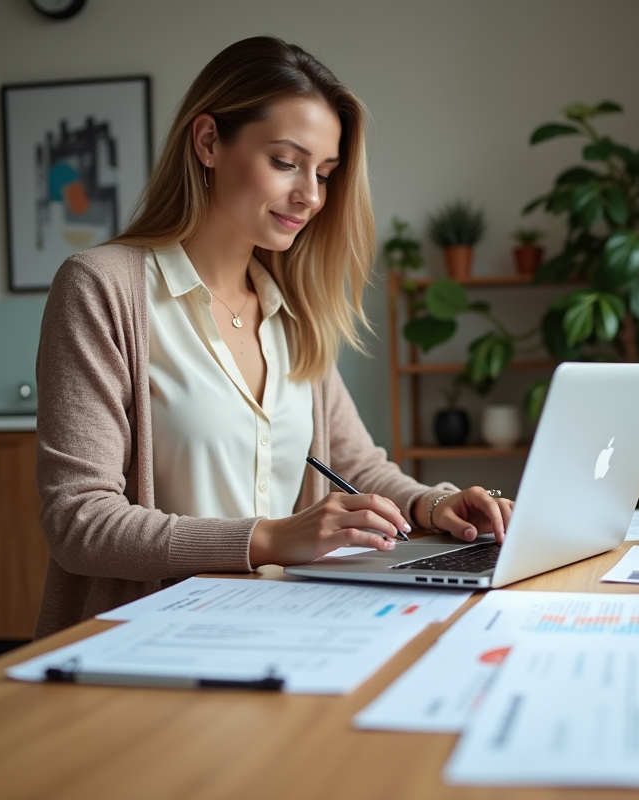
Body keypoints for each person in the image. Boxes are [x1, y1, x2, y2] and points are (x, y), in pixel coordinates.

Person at [34, 36, 513, 638]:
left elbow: (355, 464)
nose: (310, 195)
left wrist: (433, 505)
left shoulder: (293, 309)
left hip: (281, 629)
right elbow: (79, 522)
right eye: (286, 162)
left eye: (325, 173)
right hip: (149, 642)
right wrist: (269, 538)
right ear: (208, 142)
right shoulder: (104, 287)